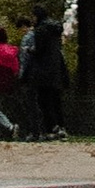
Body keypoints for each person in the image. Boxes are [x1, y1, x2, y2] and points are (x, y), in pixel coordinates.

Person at [26, 10, 69, 140]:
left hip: (43, 69)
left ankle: (50, 127)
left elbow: (39, 49)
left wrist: (29, 50)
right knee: (55, 99)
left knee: (43, 100)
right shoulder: (55, 30)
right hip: (56, 68)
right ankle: (60, 126)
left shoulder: (40, 30)